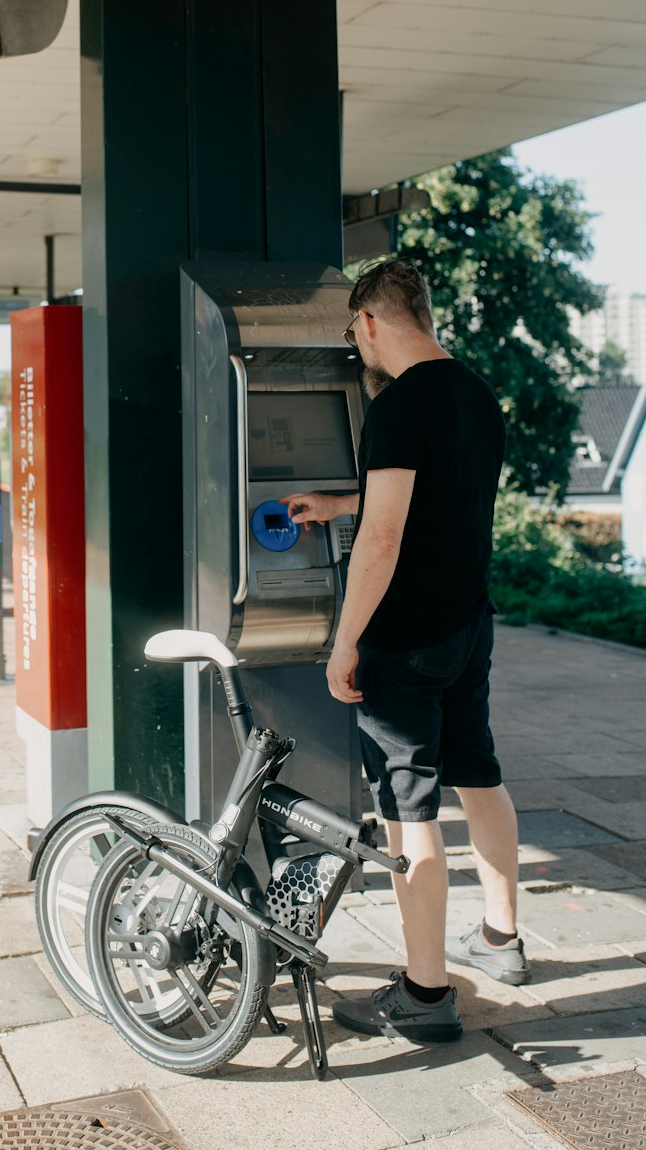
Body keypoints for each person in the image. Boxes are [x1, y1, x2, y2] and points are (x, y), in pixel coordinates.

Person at [280, 257, 529, 1046]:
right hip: (467, 628)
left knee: (406, 808)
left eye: (357, 339)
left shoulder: (396, 405)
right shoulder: (475, 394)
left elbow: (384, 537)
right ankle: (502, 939)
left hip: (405, 640)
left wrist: (346, 641)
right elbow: (429, 494)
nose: (362, 354)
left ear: (369, 322)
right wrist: (336, 502)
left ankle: (425, 995)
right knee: (478, 776)